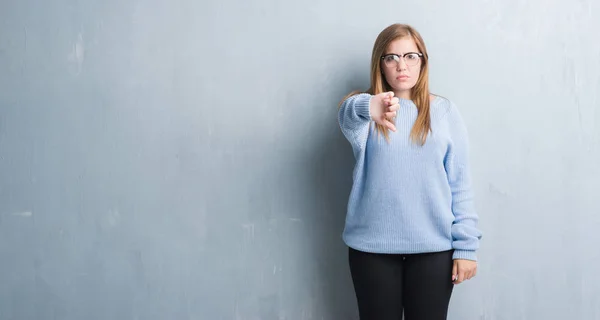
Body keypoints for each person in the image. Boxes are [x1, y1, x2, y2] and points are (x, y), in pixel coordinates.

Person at [337, 23, 483, 320]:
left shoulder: (443, 112)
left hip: (434, 249)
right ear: (380, 64)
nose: (401, 65)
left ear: (422, 61)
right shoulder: (367, 112)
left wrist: (466, 247)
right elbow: (347, 113)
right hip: (372, 249)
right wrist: (371, 105)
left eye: (410, 56)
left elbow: (460, 183)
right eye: (390, 57)